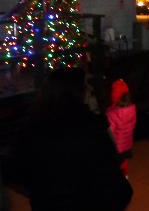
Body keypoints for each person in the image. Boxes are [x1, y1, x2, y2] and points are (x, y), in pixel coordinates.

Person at [15, 68, 132, 210]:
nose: (90, 90)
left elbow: (22, 174)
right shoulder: (91, 128)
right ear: (75, 93)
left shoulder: (31, 128)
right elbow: (112, 178)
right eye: (86, 86)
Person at [106, 79, 137, 178]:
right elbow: (133, 124)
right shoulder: (132, 108)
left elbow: (110, 131)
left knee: (117, 164)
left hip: (116, 146)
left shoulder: (112, 113)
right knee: (124, 161)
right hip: (127, 143)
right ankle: (126, 176)